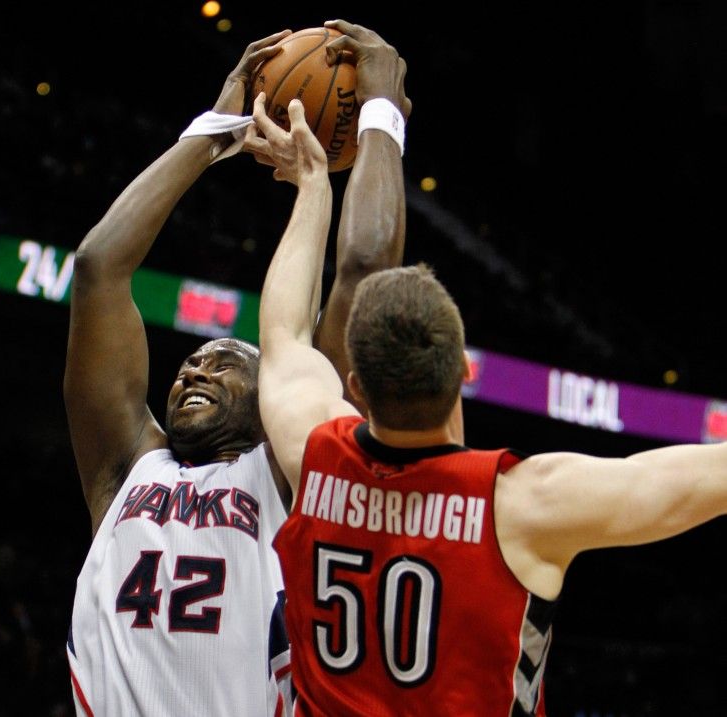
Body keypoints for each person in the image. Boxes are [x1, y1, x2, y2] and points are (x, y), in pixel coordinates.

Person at [251, 90, 727, 715]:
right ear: (461, 374)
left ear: (356, 385)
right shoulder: (523, 506)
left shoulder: (310, 450)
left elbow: (283, 336)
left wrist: (313, 186)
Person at [63, 19, 412, 717]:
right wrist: (211, 135)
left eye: (225, 361)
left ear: (273, 395)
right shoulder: (125, 470)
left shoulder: (290, 474)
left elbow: (366, 266)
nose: (194, 368)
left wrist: (381, 113)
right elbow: (99, 267)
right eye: (192, 360)